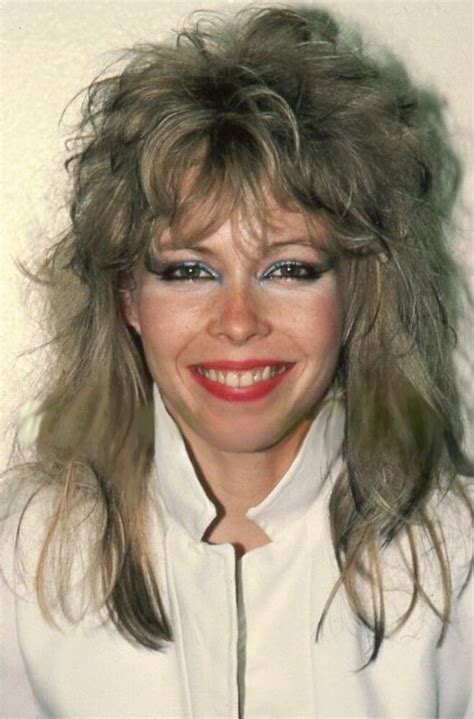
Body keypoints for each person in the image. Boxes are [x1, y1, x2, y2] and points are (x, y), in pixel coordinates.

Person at [1, 6, 472, 717]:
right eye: (190, 272)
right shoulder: (23, 561)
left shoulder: (459, 558)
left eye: (289, 268)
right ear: (128, 295)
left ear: (353, 291)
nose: (240, 322)